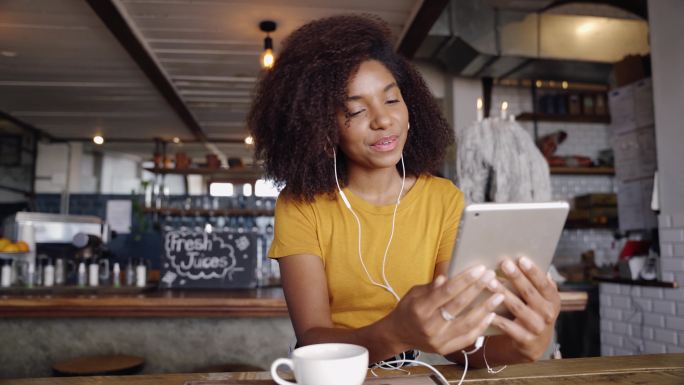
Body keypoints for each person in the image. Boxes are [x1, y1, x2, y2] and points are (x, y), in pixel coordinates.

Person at [247, 14, 560, 367]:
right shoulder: (301, 204)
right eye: (356, 110)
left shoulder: (443, 199)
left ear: (411, 108)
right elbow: (312, 336)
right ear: (322, 127)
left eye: (392, 100)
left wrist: (527, 346)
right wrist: (395, 332)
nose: (382, 120)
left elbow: (454, 342)